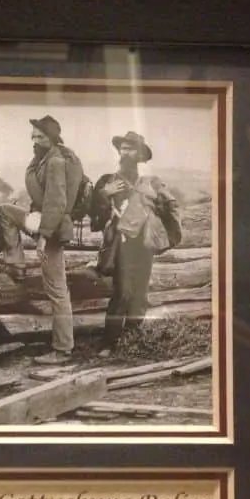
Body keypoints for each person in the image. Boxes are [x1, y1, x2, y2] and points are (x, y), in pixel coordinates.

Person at [0, 115, 84, 365]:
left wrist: (43, 238)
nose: (35, 140)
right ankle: (17, 264)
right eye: (33, 136)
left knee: (57, 290)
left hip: (53, 229)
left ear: (52, 137)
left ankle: (63, 348)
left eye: (41, 136)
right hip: (41, 219)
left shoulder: (56, 161)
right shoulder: (42, 158)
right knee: (4, 211)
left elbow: (57, 202)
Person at [90, 131, 183, 358]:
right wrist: (104, 194)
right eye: (122, 147)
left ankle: (133, 338)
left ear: (140, 155)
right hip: (120, 244)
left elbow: (170, 209)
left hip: (144, 243)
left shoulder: (151, 182)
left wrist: (153, 203)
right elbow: (94, 215)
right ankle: (109, 342)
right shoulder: (107, 181)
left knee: (139, 294)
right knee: (122, 292)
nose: (125, 152)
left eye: (130, 148)